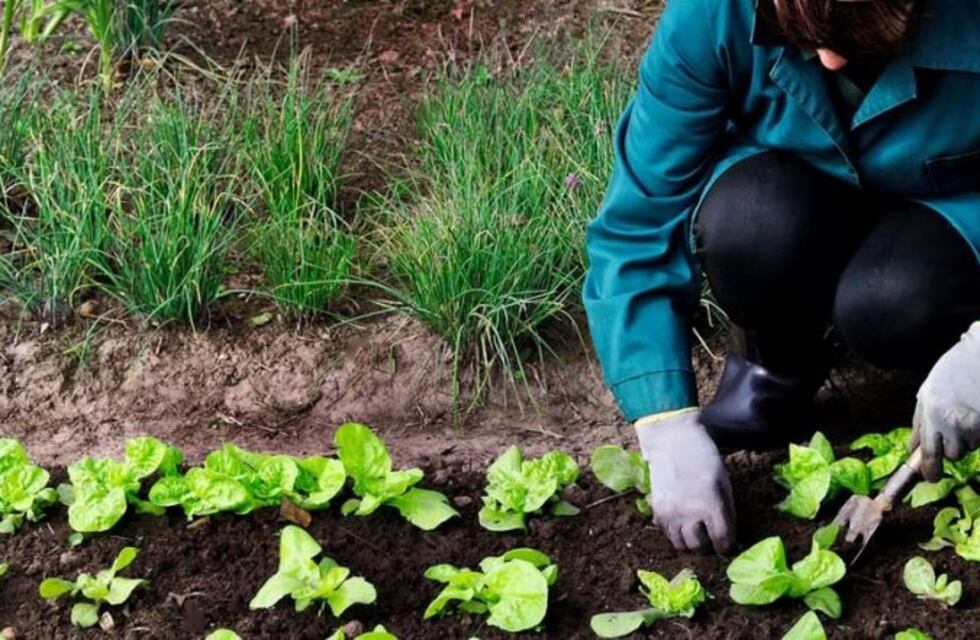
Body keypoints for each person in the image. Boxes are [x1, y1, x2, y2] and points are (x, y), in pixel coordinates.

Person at [584, 0, 980, 555]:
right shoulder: (714, 13)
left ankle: (941, 376)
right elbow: (640, 219)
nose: (829, 61)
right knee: (749, 225)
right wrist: (662, 419)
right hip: (800, 189)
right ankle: (774, 367)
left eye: (857, 39)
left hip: (956, 207)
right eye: (803, 38)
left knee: (891, 304)